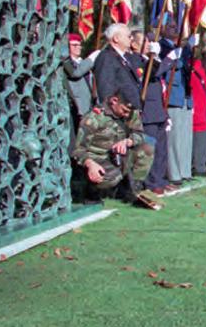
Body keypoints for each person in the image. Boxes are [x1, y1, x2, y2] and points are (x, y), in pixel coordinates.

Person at [70, 90, 161, 210]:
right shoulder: (93, 118)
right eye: (124, 111)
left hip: (119, 156)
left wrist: (128, 141)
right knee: (112, 177)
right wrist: (90, 164)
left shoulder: (130, 113)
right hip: (98, 159)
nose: (126, 115)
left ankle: (135, 189)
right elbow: (78, 150)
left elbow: (140, 134)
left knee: (147, 146)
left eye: (129, 112)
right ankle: (92, 192)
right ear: (114, 101)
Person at [131, 29, 177, 194]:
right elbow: (153, 73)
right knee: (150, 149)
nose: (150, 44)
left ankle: (161, 179)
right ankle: (151, 182)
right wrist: (167, 59)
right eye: (145, 41)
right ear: (134, 44)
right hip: (147, 110)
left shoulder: (150, 60)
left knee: (161, 149)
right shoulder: (135, 60)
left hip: (158, 109)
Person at [162, 25, 195, 185]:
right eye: (172, 27)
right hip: (173, 96)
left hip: (185, 96)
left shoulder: (182, 48)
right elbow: (164, 69)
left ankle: (185, 170)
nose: (176, 30)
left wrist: (189, 48)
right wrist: (180, 53)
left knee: (185, 137)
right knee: (174, 138)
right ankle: (174, 173)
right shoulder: (162, 46)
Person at [62, 33, 100, 151]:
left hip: (88, 106)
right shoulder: (66, 62)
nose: (78, 47)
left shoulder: (80, 61)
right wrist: (91, 59)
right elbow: (76, 73)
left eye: (79, 45)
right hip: (77, 108)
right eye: (74, 45)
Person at [93, 23, 142, 110]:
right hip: (119, 112)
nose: (131, 38)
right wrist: (111, 110)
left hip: (131, 110)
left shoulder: (126, 57)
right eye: (128, 36)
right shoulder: (106, 57)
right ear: (116, 38)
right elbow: (106, 89)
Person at [190, 39, 206, 176]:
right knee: (198, 138)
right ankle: (197, 165)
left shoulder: (200, 65)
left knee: (205, 137)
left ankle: (202, 164)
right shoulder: (191, 66)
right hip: (196, 105)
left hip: (204, 105)